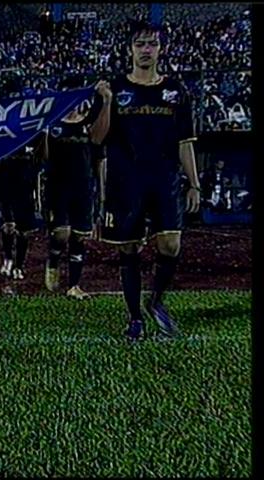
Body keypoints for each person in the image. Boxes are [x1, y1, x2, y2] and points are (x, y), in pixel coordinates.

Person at [89, 21, 201, 341]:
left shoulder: (176, 91)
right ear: (130, 49)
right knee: (130, 247)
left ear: (161, 49)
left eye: (152, 44)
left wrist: (194, 183)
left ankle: (156, 302)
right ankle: (135, 318)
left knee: (171, 244)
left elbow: (185, 141)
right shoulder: (114, 88)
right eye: (140, 44)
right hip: (126, 181)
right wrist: (106, 102)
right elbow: (97, 138)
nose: (146, 50)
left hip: (165, 178)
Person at [42, 76, 107, 299]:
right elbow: (43, 156)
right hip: (57, 187)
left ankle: (74, 286)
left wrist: (102, 192)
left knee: (79, 236)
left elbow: (99, 158)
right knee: (61, 234)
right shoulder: (52, 124)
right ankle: (53, 258)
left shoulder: (88, 123)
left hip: (83, 187)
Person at [0, 139, 42, 280]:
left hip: (25, 188)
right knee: (9, 226)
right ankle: (8, 259)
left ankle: (19, 266)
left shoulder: (33, 139)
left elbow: (39, 160)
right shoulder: (5, 140)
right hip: (6, 184)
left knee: (24, 232)